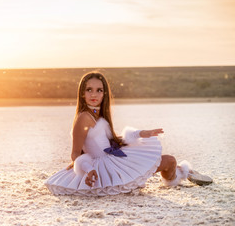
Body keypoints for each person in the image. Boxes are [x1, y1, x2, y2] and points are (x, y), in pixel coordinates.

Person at [45, 71, 211, 196]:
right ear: (82, 93)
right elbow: (75, 154)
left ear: (104, 94)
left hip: (115, 159)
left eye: (99, 90)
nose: (94, 94)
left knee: (169, 161)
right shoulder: (83, 118)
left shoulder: (99, 116)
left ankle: (182, 173)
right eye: (89, 90)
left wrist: (141, 133)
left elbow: (112, 141)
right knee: (170, 161)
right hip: (102, 166)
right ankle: (183, 173)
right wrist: (87, 169)